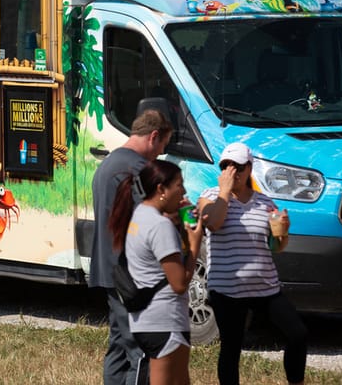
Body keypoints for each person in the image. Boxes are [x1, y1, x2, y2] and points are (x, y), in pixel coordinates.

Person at [197, 142, 307, 385]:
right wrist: (224, 192)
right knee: (231, 347)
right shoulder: (209, 197)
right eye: (226, 166)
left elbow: (275, 247)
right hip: (227, 289)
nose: (231, 171)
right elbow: (213, 223)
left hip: (264, 287)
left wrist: (283, 233)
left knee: (298, 334)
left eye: (237, 166)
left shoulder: (265, 203)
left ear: (249, 168)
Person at [90, 108, 174, 385]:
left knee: (119, 346)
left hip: (109, 267)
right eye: (163, 144)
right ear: (153, 136)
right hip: (131, 274)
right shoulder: (136, 169)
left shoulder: (109, 162)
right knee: (141, 349)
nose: (161, 153)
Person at [108, 159, 205, 385]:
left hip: (146, 320)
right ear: (161, 189)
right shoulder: (160, 226)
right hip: (165, 322)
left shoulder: (140, 215)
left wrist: (180, 225)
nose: (184, 191)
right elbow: (180, 283)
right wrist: (194, 245)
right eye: (179, 185)